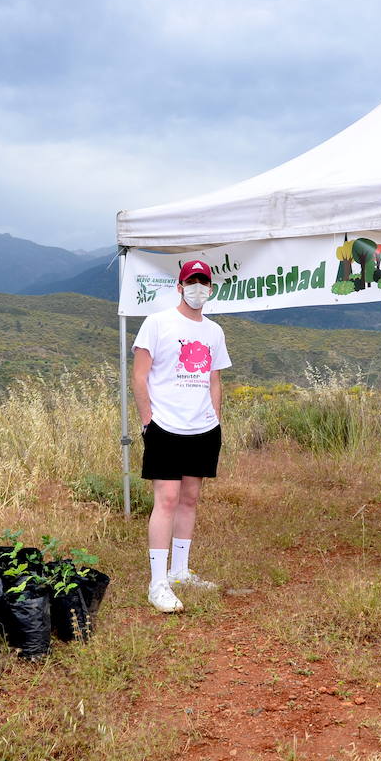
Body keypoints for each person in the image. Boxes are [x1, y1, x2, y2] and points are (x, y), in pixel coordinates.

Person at [132, 259, 231, 612]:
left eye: (204, 282)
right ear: (179, 286)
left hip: (202, 427)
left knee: (190, 499)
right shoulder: (157, 323)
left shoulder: (214, 331)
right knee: (167, 499)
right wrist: (148, 421)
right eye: (192, 281)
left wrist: (215, 418)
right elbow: (139, 376)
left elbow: (214, 378)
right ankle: (157, 582)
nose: (198, 288)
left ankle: (180, 571)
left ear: (211, 288)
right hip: (166, 427)